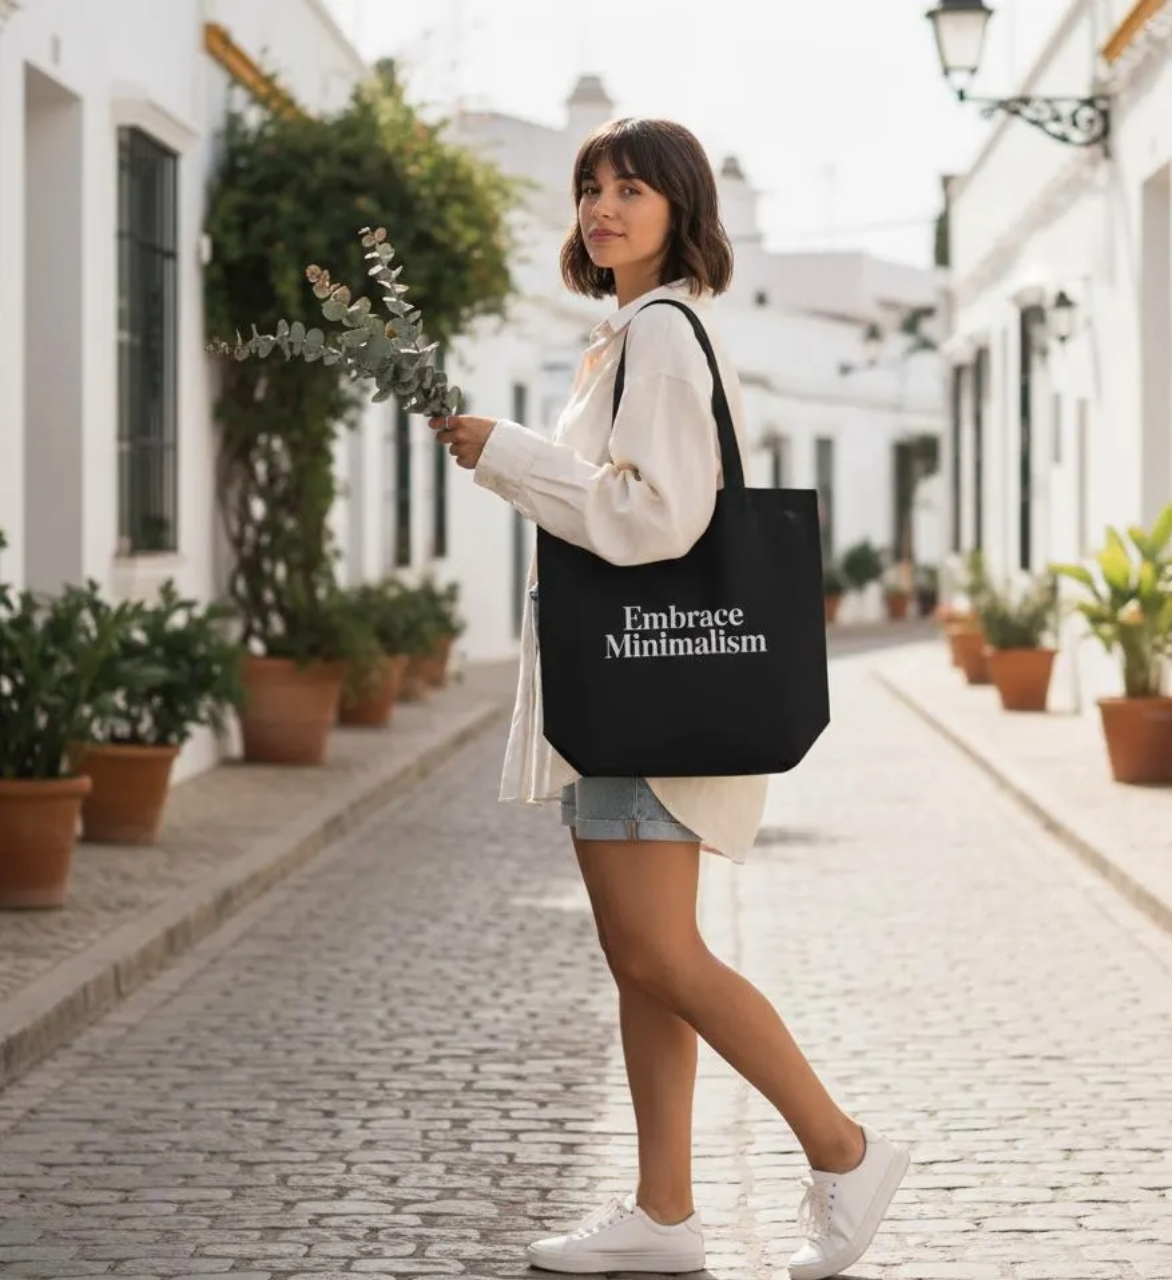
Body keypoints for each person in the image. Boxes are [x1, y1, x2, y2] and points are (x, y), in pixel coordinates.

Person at [429, 117, 909, 1280]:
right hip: (629, 685)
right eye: (590, 186)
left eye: (630, 187)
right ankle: (663, 1210)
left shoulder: (662, 331)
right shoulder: (631, 335)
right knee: (643, 956)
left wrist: (506, 454)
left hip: (650, 683)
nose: (601, 206)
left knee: (656, 950)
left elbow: (656, 515)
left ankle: (843, 1150)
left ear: (679, 205)